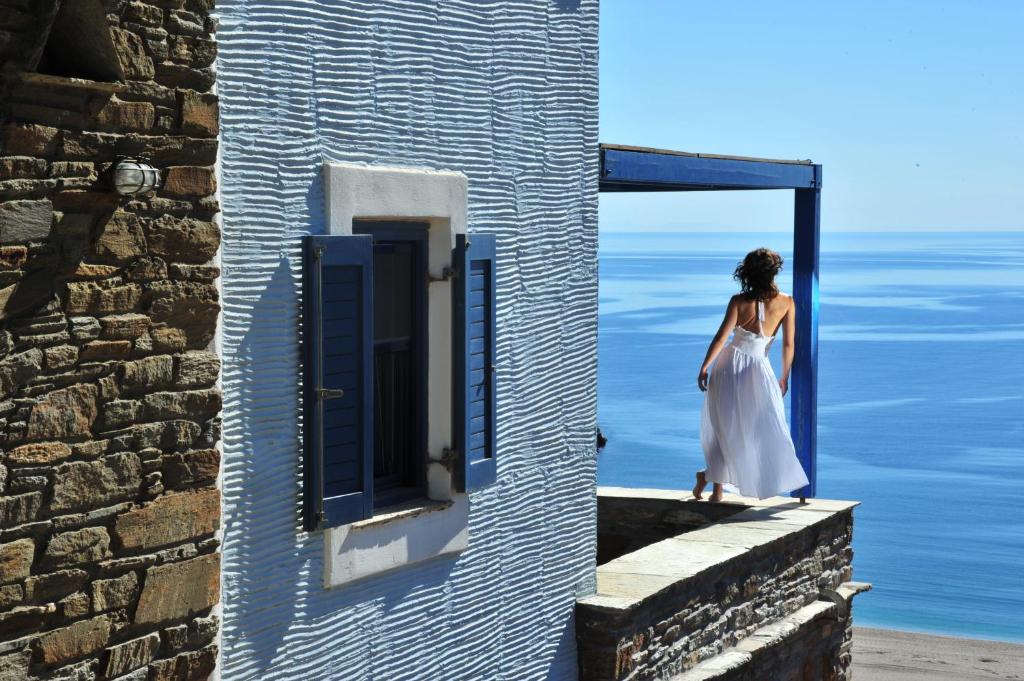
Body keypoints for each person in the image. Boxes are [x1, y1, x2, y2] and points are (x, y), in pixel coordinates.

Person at [693, 248, 809, 502]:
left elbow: (722, 337)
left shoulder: (738, 300)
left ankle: (711, 478)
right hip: (759, 368)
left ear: (747, 272)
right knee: (759, 426)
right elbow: (789, 344)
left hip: (728, 366)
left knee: (724, 424)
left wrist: (704, 366)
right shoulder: (787, 302)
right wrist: (784, 376)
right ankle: (716, 486)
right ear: (774, 272)